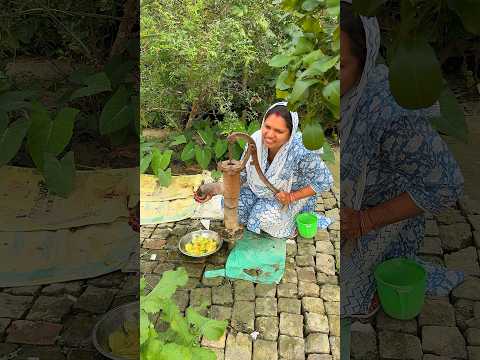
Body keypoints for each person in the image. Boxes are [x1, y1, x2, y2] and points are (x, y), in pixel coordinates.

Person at [340, 0, 464, 322]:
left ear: (365, 63)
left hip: (377, 218)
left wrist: (364, 221)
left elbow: (446, 184)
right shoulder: (329, 99)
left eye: (339, 67)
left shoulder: (391, 114)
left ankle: (373, 279)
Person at [195, 102, 333, 238]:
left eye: (279, 131)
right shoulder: (255, 141)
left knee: (263, 218)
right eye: (267, 127)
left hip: (286, 195)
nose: (269, 135)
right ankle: (256, 212)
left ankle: (291, 222)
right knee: (232, 207)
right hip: (259, 190)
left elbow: (325, 181)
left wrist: (291, 197)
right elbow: (243, 174)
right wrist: (216, 189)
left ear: (290, 134)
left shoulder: (301, 151)